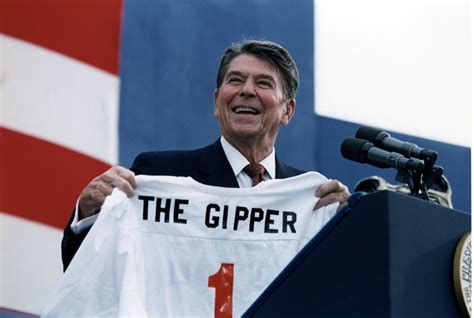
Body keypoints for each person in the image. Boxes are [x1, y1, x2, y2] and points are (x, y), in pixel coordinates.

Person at [61, 39, 350, 271]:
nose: (247, 90)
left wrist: (347, 224)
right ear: (216, 102)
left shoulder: (312, 197)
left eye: (263, 83)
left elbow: (337, 286)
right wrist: (88, 213)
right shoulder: (160, 172)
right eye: (235, 80)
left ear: (287, 111)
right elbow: (89, 271)